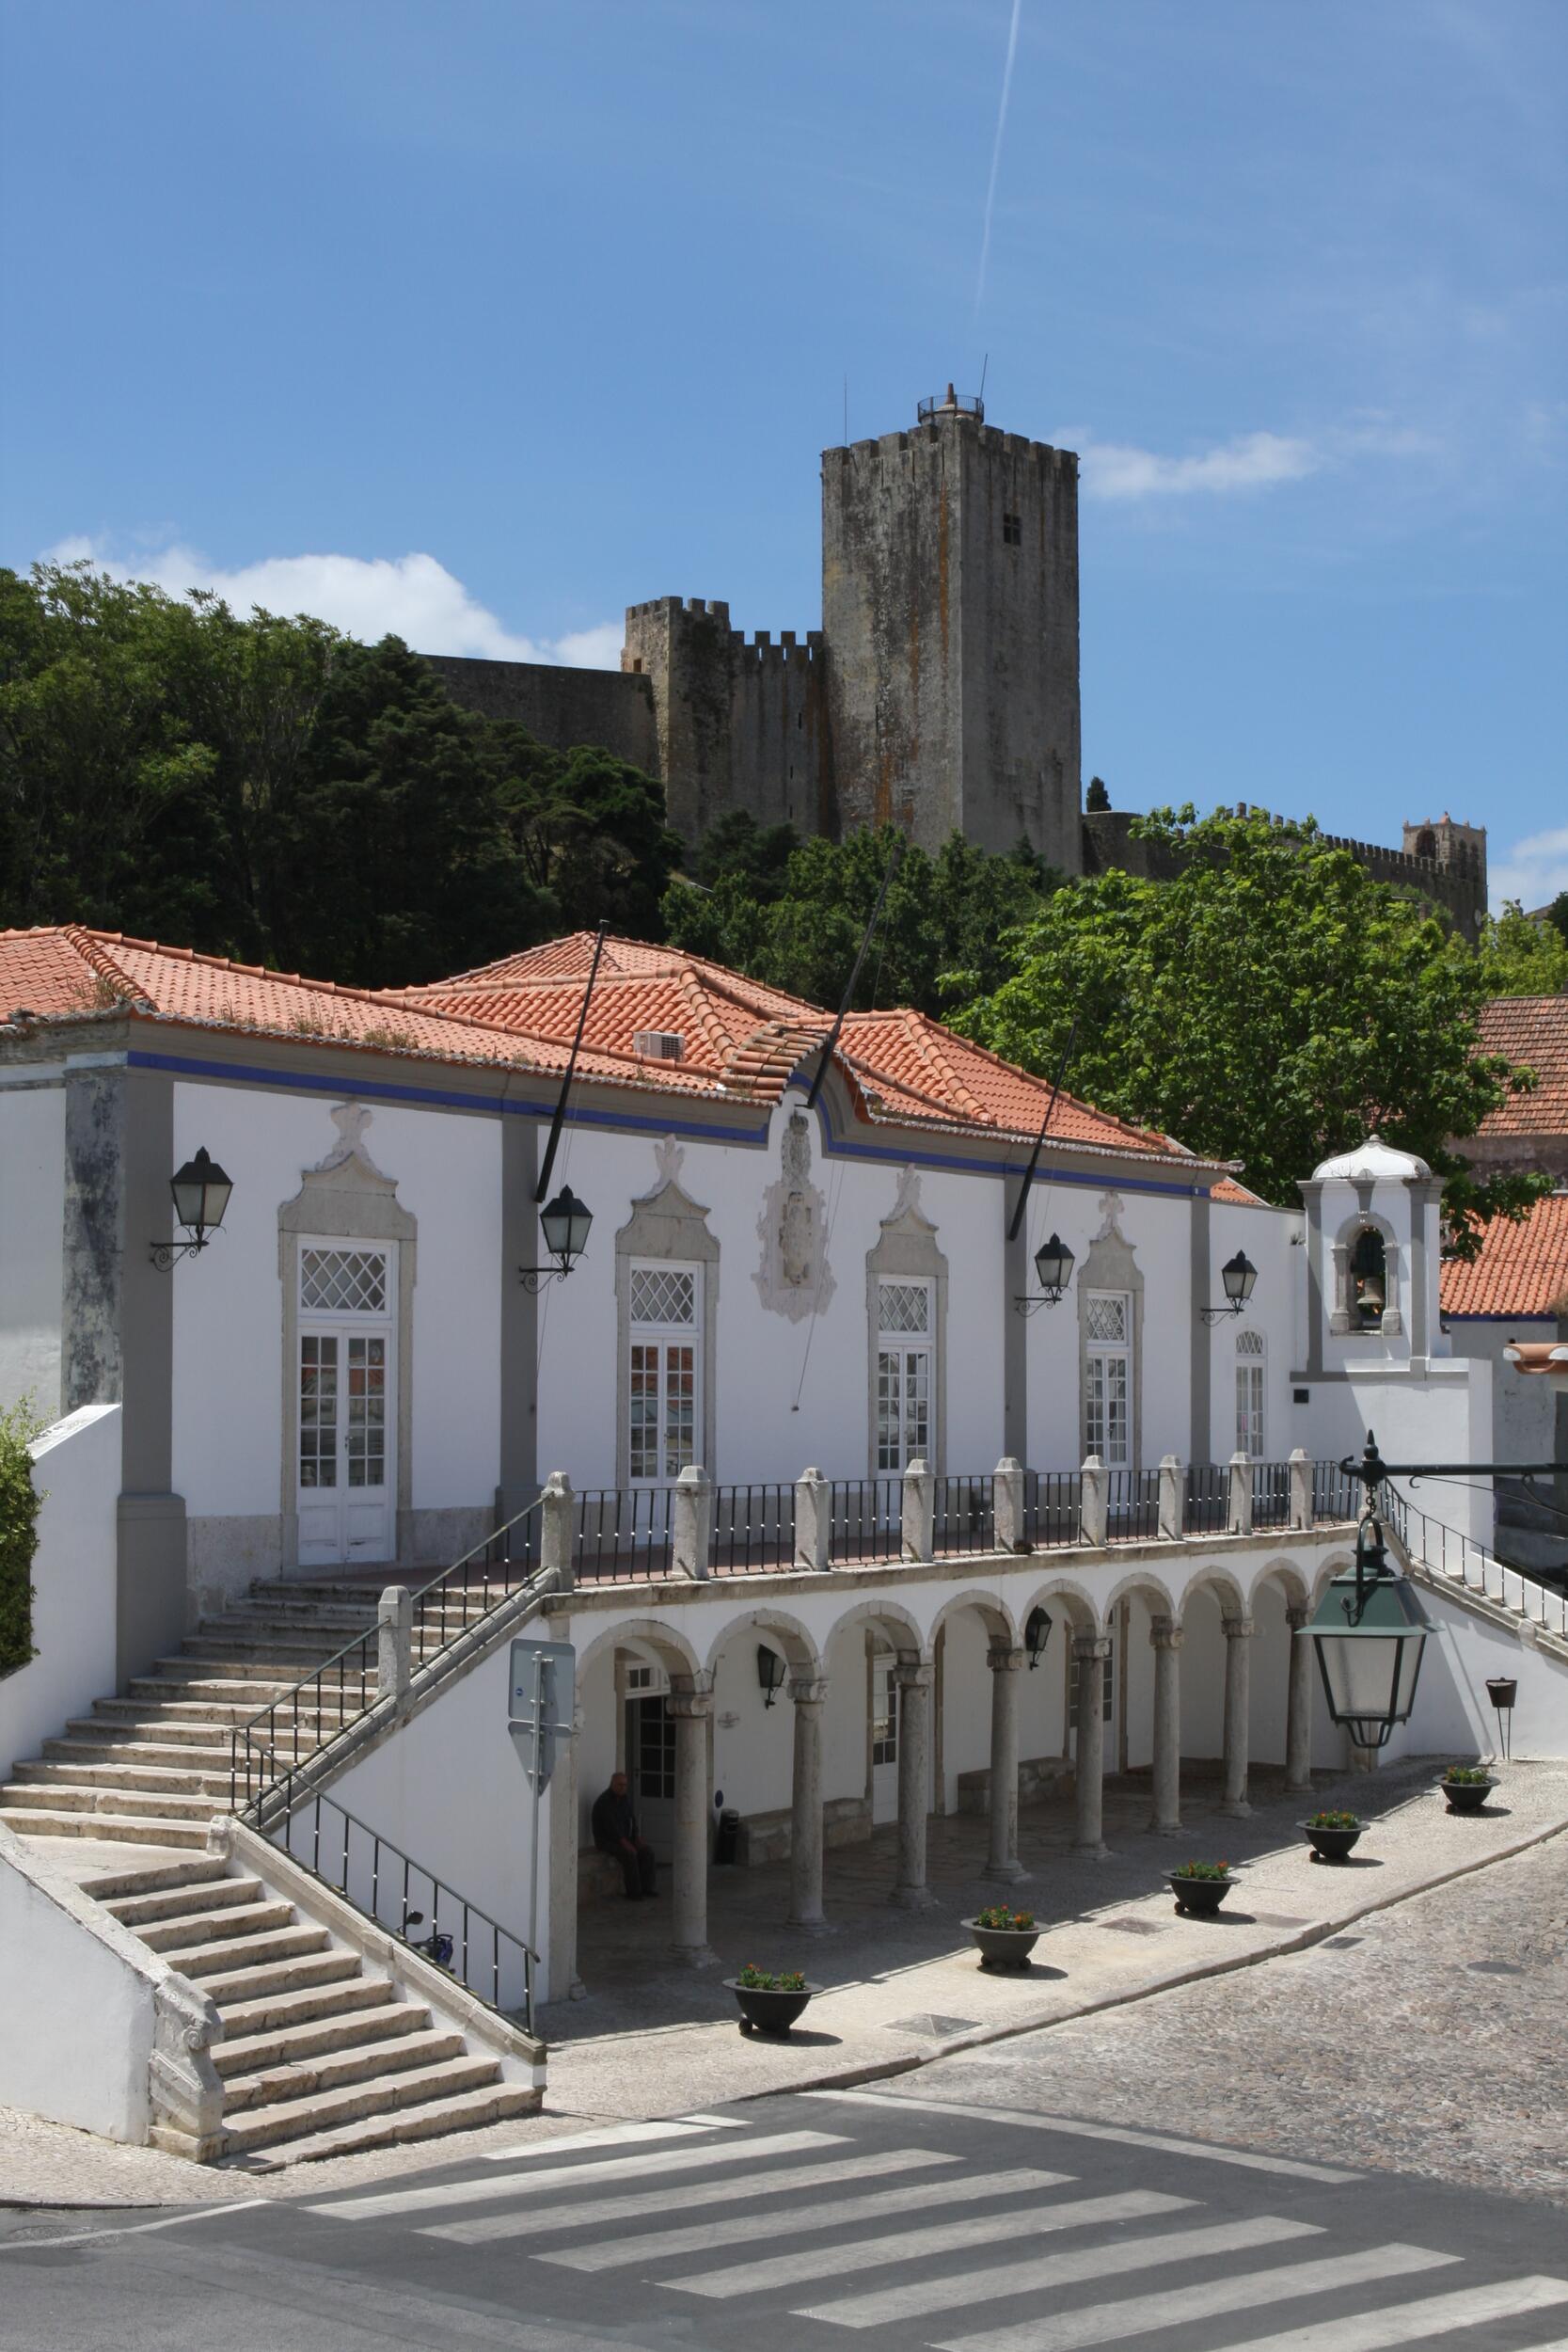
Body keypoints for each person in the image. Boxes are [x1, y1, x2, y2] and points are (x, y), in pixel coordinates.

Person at [591, 1771, 657, 1899]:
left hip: (624, 1838)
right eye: (620, 1785)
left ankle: (648, 1888)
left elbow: (631, 1819)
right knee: (629, 1854)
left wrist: (636, 1837)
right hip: (607, 1841)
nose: (623, 1788)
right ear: (612, 1784)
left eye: (625, 1785)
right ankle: (634, 1893)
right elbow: (612, 1828)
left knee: (647, 1852)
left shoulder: (624, 1799)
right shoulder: (604, 1802)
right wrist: (626, 1844)